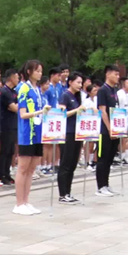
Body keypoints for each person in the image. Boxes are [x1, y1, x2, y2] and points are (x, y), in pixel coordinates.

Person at [14, 60, 48, 214]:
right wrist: (40, 112)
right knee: (23, 168)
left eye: (41, 71)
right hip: (27, 134)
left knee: (31, 169)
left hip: (38, 134)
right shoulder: (24, 88)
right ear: (29, 71)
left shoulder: (38, 90)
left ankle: (26, 201)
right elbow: (22, 114)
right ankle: (19, 203)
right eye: (37, 71)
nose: (40, 74)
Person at [57, 72, 86, 203]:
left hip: (77, 133)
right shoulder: (65, 95)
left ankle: (68, 192)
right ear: (70, 82)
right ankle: (62, 193)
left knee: (73, 163)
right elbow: (62, 114)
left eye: (81, 83)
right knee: (66, 163)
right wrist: (77, 110)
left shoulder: (77, 97)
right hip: (67, 133)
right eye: (78, 82)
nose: (80, 85)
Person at [95, 66, 121, 197]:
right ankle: (100, 186)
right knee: (103, 158)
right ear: (108, 74)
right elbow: (103, 111)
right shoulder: (102, 90)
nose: (118, 77)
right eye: (115, 74)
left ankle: (106, 183)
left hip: (115, 130)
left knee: (110, 158)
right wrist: (110, 128)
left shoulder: (114, 90)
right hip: (105, 131)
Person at [0, 68, 19, 186]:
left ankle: (7, 173)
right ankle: (1, 175)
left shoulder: (14, 92)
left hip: (14, 123)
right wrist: (15, 106)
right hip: (5, 124)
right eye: (17, 77)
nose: (18, 80)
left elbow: (20, 106)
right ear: (11, 78)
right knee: (5, 150)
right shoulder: (4, 91)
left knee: (11, 150)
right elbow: (14, 108)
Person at [41, 67, 61, 176]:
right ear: (52, 76)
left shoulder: (58, 87)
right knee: (47, 143)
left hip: (56, 117)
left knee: (55, 143)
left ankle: (54, 164)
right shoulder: (48, 90)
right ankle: (44, 165)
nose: (59, 78)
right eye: (58, 75)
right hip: (48, 117)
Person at [116, 77, 128, 165]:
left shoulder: (127, 95)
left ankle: (123, 156)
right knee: (122, 139)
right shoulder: (119, 94)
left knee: (125, 139)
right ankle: (120, 156)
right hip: (120, 119)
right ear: (123, 84)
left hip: (126, 119)